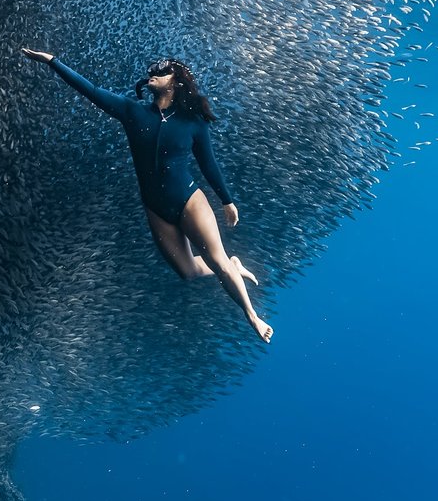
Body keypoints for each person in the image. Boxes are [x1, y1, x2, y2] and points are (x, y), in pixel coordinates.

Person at [21, 48, 273, 343]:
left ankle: (252, 315)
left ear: (176, 80)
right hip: (156, 208)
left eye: (161, 70)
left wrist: (227, 200)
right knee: (188, 271)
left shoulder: (193, 122)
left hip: (189, 201)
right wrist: (53, 61)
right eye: (151, 70)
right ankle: (234, 265)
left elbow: (208, 163)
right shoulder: (132, 111)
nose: (152, 73)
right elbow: (90, 90)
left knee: (214, 260)